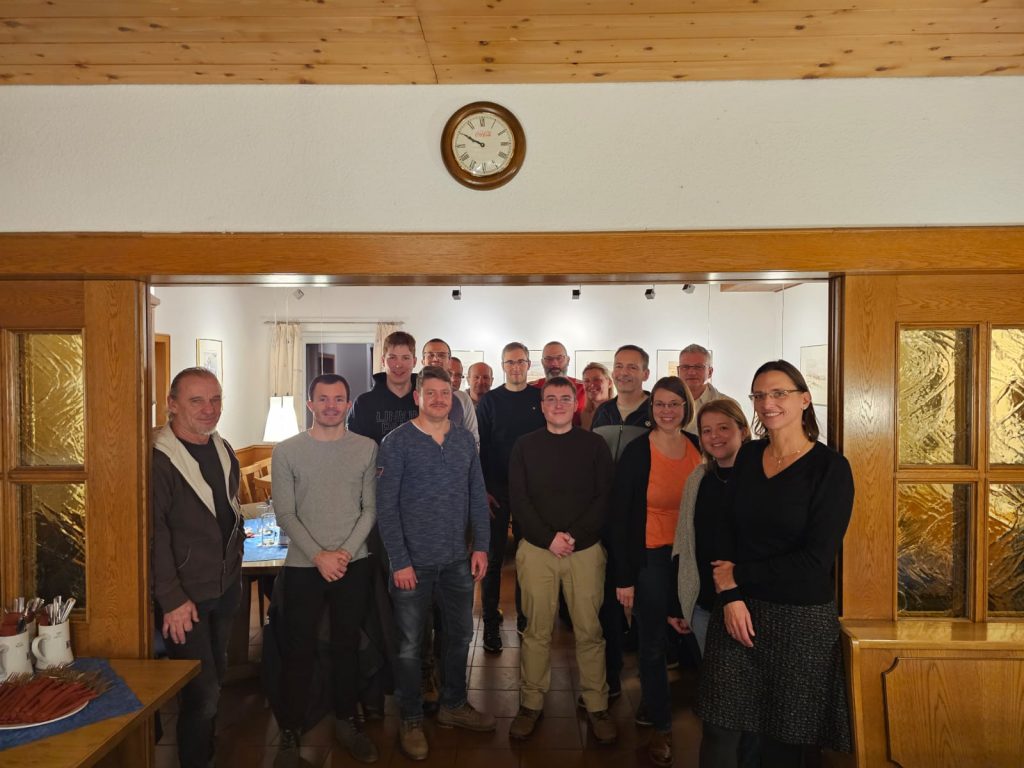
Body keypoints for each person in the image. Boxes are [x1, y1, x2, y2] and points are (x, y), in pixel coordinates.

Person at [697, 360, 854, 767]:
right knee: (719, 726)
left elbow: (816, 559)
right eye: (760, 395)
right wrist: (730, 595)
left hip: (799, 620)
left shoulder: (830, 468)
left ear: (805, 399)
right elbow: (725, 530)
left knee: (783, 741)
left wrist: (739, 574)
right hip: (738, 610)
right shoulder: (749, 456)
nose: (768, 403)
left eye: (779, 393)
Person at [376, 366, 495, 760]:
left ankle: (453, 704)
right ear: (417, 397)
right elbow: (386, 508)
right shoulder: (396, 443)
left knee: (459, 637)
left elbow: (477, 495)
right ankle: (411, 718)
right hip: (412, 566)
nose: (439, 399)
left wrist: (481, 547)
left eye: (445, 393)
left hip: (457, 562)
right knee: (411, 646)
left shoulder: (463, 440)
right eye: (431, 393)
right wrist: (399, 561)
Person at [272, 374, 379, 766]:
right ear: (310, 403)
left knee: (347, 647)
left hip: (354, 564)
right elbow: (285, 513)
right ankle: (290, 730)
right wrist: (319, 555)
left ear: (349, 404)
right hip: (304, 566)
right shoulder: (287, 451)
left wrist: (344, 553)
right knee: (297, 649)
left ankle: (346, 720)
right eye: (323, 399)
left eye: (338, 399)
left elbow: (370, 509)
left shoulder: (366, 448)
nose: (331, 406)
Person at [508, 377, 618, 745]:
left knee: (589, 631)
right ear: (541, 406)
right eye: (551, 399)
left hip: (584, 552)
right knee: (536, 631)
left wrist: (574, 536)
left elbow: (604, 496)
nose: (558, 404)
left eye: (565, 398)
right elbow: (519, 499)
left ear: (575, 404)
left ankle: (597, 704)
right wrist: (548, 538)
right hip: (537, 551)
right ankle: (530, 704)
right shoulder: (524, 446)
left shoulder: (594, 445)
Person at [151, 367, 243, 768]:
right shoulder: (160, 460)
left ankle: (204, 753)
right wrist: (172, 599)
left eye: (216, 399)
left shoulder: (221, 447)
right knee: (201, 693)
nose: (209, 409)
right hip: (185, 600)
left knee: (216, 678)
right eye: (197, 400)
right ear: (172, 405)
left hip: (223, 588)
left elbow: (228, 509)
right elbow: (153, 536)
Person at [610, 377, 701, 767]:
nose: (667, 411)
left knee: (696, 633)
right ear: (651, 408)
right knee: (652, 642)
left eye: (674, 404)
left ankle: (713, 714)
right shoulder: (637, 452)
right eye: (660, 404)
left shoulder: (698, 446)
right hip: (650, 555)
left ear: (685, 408)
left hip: (691, 556)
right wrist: (624, 577)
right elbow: (619, 518)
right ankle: (661, 726)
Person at [476, 342, 545, 652]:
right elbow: (480, 447)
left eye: (520, 362)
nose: (515, 367)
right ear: (502, 366)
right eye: (510, 362)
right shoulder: (490, 401)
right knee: (493, 559)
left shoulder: (539, 398)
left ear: (528, 364)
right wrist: (483, 489)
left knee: (526, 558)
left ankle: (525, 618)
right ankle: (490, 621)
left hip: (531, 492)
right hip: (496, 491)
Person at [672, 399, 751, 655]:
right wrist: (679, 603)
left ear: (743, 431)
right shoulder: (698, 478)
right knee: (712, 675)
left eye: (723, 428)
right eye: (706, 430)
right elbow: (684, 543)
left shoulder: (759, 478)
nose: (714, 436)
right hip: (703, 603)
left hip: (750, 603)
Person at [347, 330, 419, 444]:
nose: (398, 365)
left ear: (414, 362)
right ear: (383, 361)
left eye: (405, 358)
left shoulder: (427, 401)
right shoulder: (363, 403)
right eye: (392, 357)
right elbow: (354, 447)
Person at [592, 344, 653, 459]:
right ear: (612, 373)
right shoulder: (603, 411)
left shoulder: (656, 411)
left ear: (645, 374)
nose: (624, 373)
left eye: (632, 367)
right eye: (619, 366)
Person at [420, 338, 478, 449]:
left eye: (442, 355)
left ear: (449, 361)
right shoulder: (413, 393)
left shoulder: (462, 399)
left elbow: (473, 439)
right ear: (423, 361)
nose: (436, 359)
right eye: (430, 355)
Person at [677, 344, 738, 435]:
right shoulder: (664, 405)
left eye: (698, 367)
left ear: (710, 372)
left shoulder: (729, 405)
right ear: (678, 371)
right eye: (685, 367)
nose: (691, 372)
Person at [529, 341, 586, 424]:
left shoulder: (583, 389)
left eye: (559, 358)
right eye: (548, 359)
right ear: (542, 362)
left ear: (568, 360)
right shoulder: (532, 388)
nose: (554, 363)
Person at [580, 361, 615, 431]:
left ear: (609, 383)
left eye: (597, 380)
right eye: (587, 381)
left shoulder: (619, 412)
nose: (591, 385)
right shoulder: (584, 414)